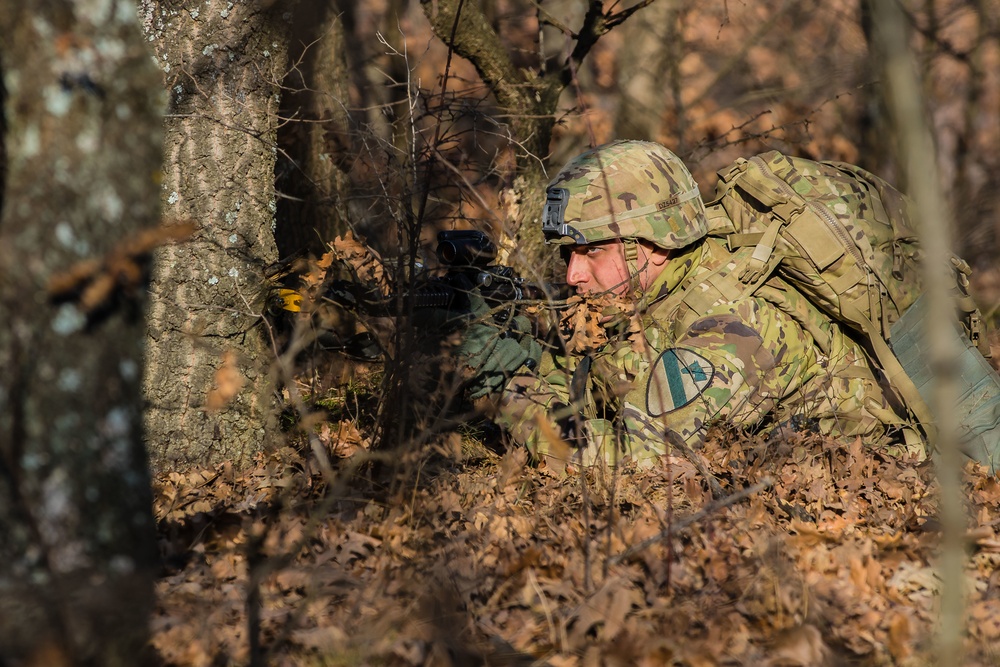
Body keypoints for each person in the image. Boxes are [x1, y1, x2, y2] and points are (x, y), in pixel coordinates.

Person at [455, 139, 927, 469]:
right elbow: (573, 384)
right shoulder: (640, 293)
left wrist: (508, 392)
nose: (573, 274)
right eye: (568, 253)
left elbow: (629, 465)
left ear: (655, 245)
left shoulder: (729, 329)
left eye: (592, 250)